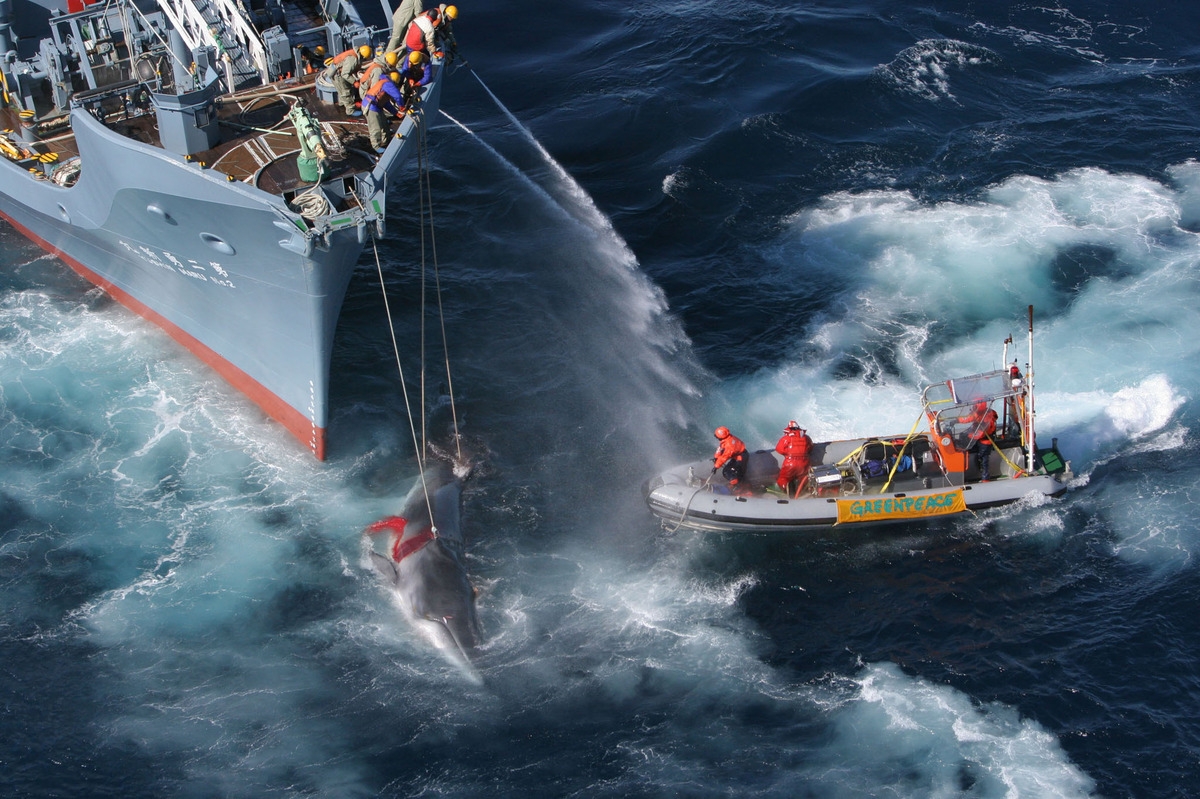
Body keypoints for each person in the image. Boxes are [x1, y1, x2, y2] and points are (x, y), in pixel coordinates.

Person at [361, 70, 405, 153]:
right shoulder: (388, 84)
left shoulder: (383, 84)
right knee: (375, 128)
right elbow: (397, 96)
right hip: (370, 107)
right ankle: (376, 146)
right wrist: (401, 106)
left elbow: (385, 102)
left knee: (384, 124)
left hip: (377, 106)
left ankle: (386, 140)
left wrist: (395, 112)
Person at [322, 44, 373, 116]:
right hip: (338, 75)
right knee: (345, 91)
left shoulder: (353, 53)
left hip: (335, 72)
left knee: (341, 90)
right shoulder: (353, 59)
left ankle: (342, 103)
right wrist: (354, 82)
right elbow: (345, 74)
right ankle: (350, 110)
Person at [957, 400, 998, 481]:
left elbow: (970, 419)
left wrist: (957, 420)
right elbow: (968, 418)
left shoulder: (983, 415)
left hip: (985, 440)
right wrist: (957, 420)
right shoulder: (986, 413)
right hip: (979, 439)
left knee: (984, 459)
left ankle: (985, 478)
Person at [775, 420, 813, 497]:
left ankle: (787, 490)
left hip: (790, 462)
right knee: (803, 478)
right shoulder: (806, 437)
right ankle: (802, 491)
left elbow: (779, 449)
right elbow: (810, 447)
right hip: (804, 462)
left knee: (783, 478)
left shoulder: (786, 438)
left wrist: (788, 453)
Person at [712, 426, 749, 492]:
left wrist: (716, 466)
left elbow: (725, 456)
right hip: (738, 455)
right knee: (736, 471)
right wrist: (716, 457)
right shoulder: (727, 438)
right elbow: (720, 449)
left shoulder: (729, 445)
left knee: (727, 471)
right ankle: (739, 484)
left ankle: (737, 487)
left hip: (740, 457)